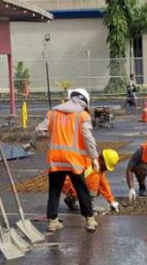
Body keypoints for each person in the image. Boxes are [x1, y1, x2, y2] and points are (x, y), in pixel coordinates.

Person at [45, 88, 99, 232]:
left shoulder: (52, 113)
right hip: (74, 161)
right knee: (82, 190)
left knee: (54, 191)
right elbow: (88, 138)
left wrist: (31, 143)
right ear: (85, 102)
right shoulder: (83, 115)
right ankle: (90, 220)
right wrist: (94, 157)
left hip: (56, 159)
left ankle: (52, 222)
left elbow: (40, 129)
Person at [64, 149, 121, 213]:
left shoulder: (96, 165)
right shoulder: (93, 168)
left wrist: (111, 201)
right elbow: (91, 186)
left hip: (69, 182)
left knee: (95, 182)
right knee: (94, 181)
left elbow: (104, 185)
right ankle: (89, 203)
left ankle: (71, 199)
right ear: (102, 160)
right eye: (106, 166)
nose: (106, 169)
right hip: (68, 183)